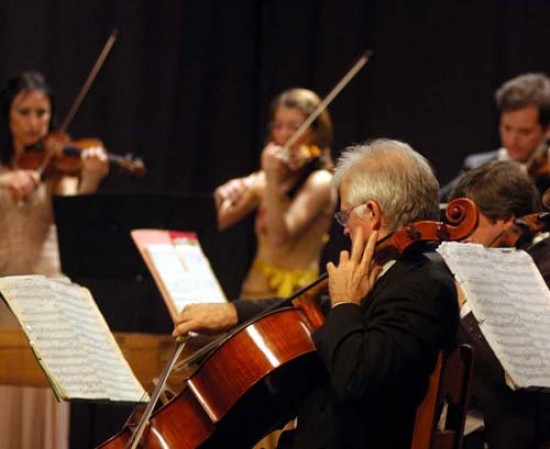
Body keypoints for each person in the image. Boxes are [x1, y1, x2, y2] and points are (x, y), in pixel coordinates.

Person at [174, 139, 459, 449]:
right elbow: (308, 309)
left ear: (373, 214)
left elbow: (355, 376)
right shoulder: (394, 271)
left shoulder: (423, 284)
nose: (345, 229)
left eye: (345, 215)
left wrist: (347, 302)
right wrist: (232, 313)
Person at [0, 71, 109, 449]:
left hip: (46, 301)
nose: (34, 123)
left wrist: (91, 178)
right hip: (3, 300)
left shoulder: (57, 169)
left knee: (43, 411)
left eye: (42, 114)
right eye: (24, 112)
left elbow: (75, 218)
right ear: (7, 115)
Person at [448, 159, 550, 449]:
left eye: (470, 224)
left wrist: (464, 303)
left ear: (506, 220)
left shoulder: (542, 266)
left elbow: (513, 365)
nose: (461, 238)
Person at [214, 88, 337, 299]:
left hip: (293, 297)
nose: (284, 134)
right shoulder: (271, 178)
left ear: (315, 132)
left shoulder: (321, 182)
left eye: (295, 127)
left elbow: (280, 236)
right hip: (253, 292)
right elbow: (222, 220)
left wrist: (270, 179)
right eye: (278, 126)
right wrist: (222, 194)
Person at [440, 73, 550, 201]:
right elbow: (436, 205)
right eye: (507, 128)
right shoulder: (477, 167)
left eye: (525, 132)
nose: (512, 140)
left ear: (547, 129)